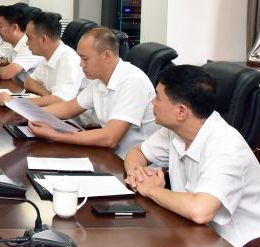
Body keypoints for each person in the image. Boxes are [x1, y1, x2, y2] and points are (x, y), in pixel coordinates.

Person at [123, 65, 260, 247]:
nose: (152, 102)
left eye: (158, 98)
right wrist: (138, 176)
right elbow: (137, 153)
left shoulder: (226, 148)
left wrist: (151, 190)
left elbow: (200, 211)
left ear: (181, 111)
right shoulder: (175, 131)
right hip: (198, 236)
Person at [26, 27, 160, 158]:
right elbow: (68, 108)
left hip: (134, 164)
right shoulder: (100, 80)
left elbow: (110, 138)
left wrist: (55, 135)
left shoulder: (132, 81)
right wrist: (28, 114)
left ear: (107, 56)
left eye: (85, 59)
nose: (81, 64)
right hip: (111, 154)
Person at [0, 11, 84, 105]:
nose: (26, 43)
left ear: (43, 39)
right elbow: (29, 82)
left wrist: (15, 102)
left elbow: (61, 102)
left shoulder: (68, 59)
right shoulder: (48, 56)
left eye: (29, 38)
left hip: (70, 114)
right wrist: (48, 96)